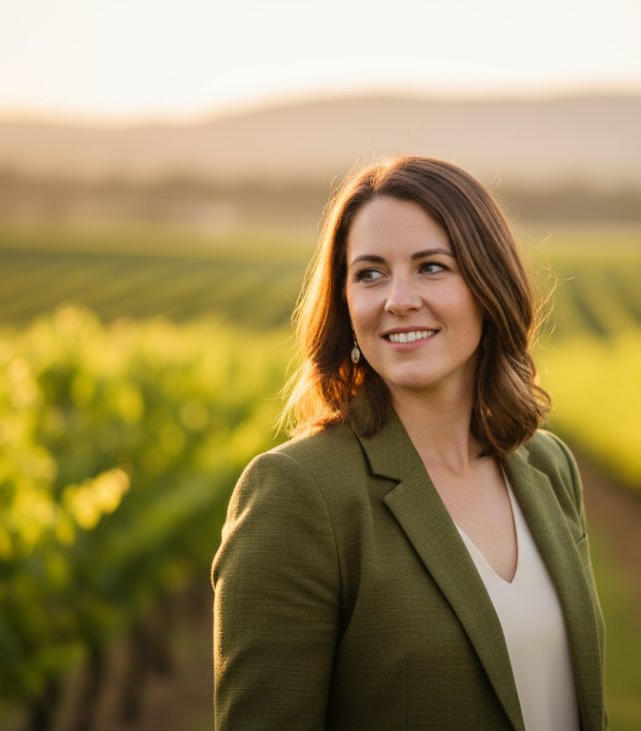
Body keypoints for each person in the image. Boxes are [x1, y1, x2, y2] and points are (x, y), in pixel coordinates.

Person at [211, 155, 606, 730]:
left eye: (431, 267)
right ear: (345, 305)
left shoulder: (548, 466)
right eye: (369, 274)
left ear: (488, 284)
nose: (398, 298)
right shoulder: (297, 495)